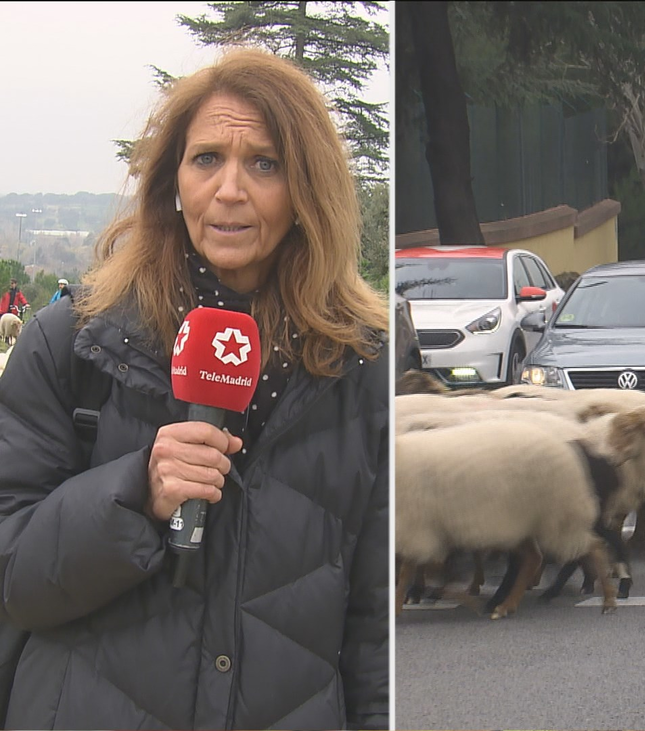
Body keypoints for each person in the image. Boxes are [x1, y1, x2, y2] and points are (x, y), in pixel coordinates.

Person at [0, 48, 389, 729]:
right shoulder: (71, 344)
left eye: (264, 163)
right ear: (173, 180)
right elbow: (13, 576)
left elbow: (377, 633)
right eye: (206, 158)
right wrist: (135, 493)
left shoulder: (359, 370)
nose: (229, 189)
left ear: (307, 187)